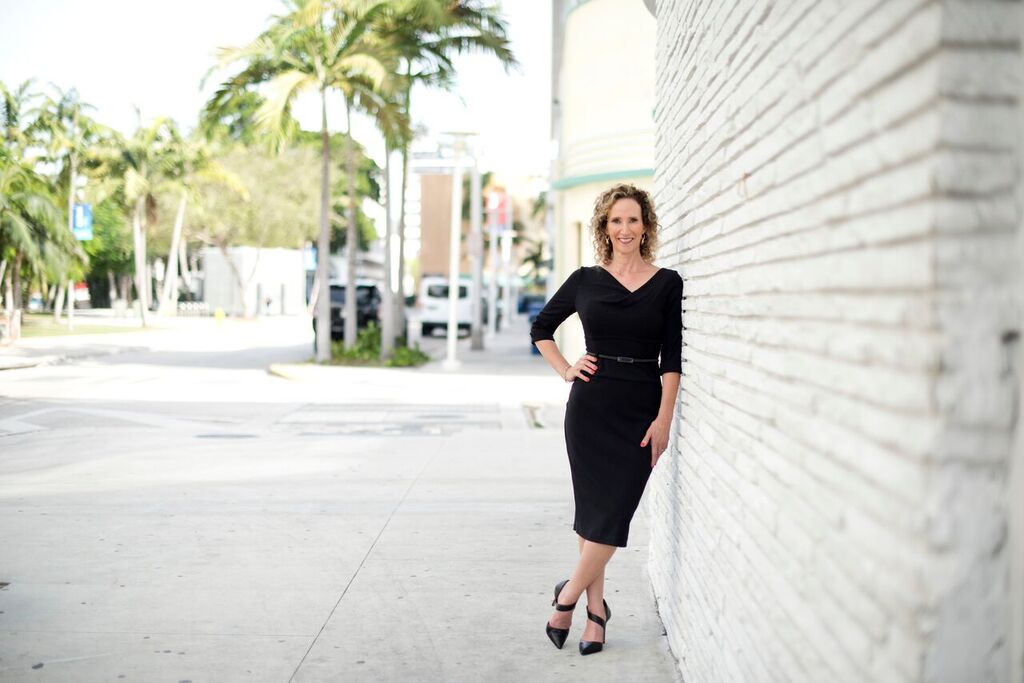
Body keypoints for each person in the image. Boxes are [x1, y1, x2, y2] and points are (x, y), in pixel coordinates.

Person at [530, 183, 682, 655]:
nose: (624, 229)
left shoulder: (667, 282)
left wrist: (664, 420)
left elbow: (672, 360)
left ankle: (567, 597)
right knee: (593, 515)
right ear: (604, 227)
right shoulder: (585, 280)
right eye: (616, 220)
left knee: (614, 514)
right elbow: (541, 328)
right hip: (591, 408)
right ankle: (595, 617)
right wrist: (566, 368)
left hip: (641, 409)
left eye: (633, 219)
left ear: (646, 226)